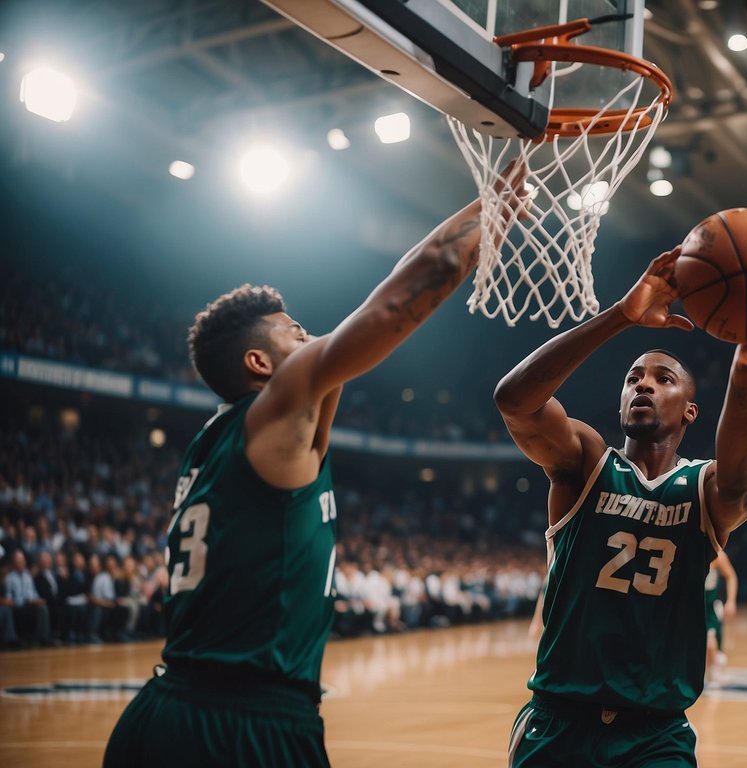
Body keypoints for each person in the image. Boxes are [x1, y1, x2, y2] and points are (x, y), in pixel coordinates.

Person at [103, 163, 527, 767]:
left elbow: (375, 311)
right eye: (293, 330)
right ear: (259, 362)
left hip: (166, 711)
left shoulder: (225, 440)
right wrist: (493, 212)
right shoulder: (279, 409)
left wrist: (480, 204)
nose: (310, 337)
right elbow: (397, 303)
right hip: (243, 726)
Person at [494, 247, 747, 767]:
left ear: (690, 410)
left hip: (655, 735)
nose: (643, 382)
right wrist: (620, 315)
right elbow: (516, 402)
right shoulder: (586, 463)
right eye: (632, 378)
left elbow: (741, 479)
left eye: (663, 378)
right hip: (559, 722)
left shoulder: (701, 487)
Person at [704, 549, 738, 687]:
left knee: (711, 644)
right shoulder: (690, 552)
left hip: (710, 608)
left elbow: (731, 576)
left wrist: (731, 601)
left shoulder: (719, 556)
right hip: (692, 608)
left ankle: (712, 676)